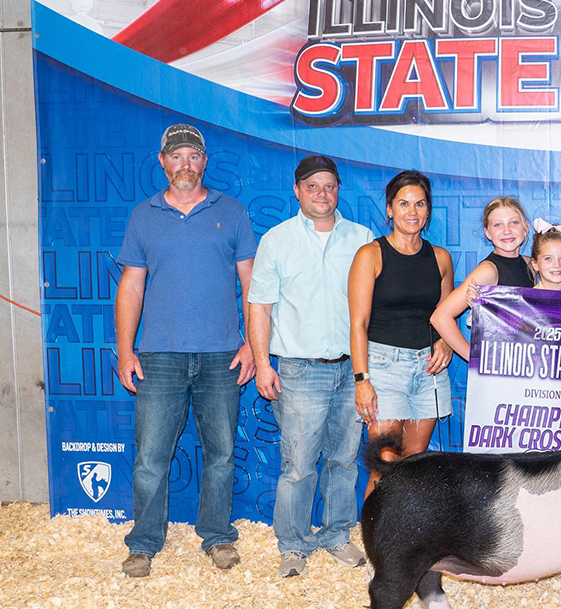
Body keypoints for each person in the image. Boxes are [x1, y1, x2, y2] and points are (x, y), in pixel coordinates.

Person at [114, 123, 257, 578]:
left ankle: (217, 536)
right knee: (151, 456)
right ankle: (143, 543)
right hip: (158, 356)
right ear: (163, 162)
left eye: (193, 156)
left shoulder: (231, 212)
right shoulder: (144, 215)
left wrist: (255, 346)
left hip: (221, 355)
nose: (185, 165)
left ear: (204, 162)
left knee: (220, 452)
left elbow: (252, 284)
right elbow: (131, 286)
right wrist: (125, 349)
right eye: (176, 157)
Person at [247, 155, 375, 578]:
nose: (323, 193)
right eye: (313, 186)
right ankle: (293, 545)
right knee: (299, 464)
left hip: (352, 368)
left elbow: (378, 306)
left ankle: (337, 534)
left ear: (339, 190)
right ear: (298, 191)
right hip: (300, 370)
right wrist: (263, 364)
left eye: (330, 186)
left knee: (344, 459)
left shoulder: (362, 238)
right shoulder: (277, 240)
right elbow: (260, 307)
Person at [349, 170, 454, 497]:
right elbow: (357, 324)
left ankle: (404, 547)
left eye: (420, 204)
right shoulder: (371, 255)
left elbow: (444, 317)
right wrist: (362, 380)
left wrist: (445, 343)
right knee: (385, 467)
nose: (412, 211)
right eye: (404, 203)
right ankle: (375, 546)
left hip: (428, 372)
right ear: (390, 209)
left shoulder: (441, 259)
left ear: (428, 211)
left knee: (412, 468)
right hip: (383, 369)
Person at [430, 196, 533, 360]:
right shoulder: (489, 270)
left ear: (525, 227)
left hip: (525, 364)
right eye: (498, 224)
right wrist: (475, 359)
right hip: (499, 370)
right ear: (488, 232)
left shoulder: (531, 265)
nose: (507, 230)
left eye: (513, 222)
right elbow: (440, 317)